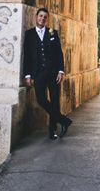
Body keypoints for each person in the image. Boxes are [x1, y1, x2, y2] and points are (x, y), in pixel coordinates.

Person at [23, 7, 72, 140]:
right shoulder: (29, 34)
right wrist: (27, 75)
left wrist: (61, 71)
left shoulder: (52, 33)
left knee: (55, 102)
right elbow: (26, 56)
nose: (42, 18)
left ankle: (52, 131)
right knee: (41, 100)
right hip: (38, 74)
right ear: (36, 17)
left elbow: (59, 54)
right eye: (40, 16)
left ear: (47, 19)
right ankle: (63, 120)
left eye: (45, 17)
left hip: (53, 73)